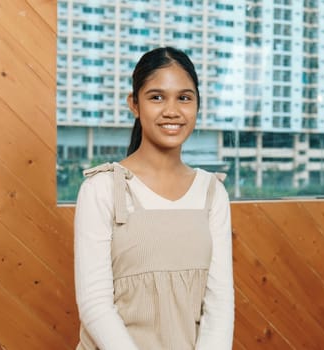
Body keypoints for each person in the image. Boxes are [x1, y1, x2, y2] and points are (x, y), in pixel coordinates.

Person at [73, 47, 234, 350]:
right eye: (157, 97)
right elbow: (95, 305)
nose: (172, 111)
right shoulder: (102, 189)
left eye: (184, 98)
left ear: (198, 104)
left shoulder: (213, 193)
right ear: (134, 104)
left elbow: (220, 305)